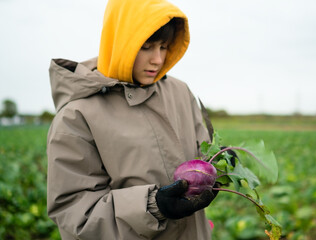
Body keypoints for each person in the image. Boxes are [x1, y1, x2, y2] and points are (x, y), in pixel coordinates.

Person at [46, 0, 218, 239]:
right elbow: (76, 215)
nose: (157, 59)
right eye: (146, 46)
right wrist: (154, 206)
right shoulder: (77, 116)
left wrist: (218, 163)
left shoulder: (180, 92)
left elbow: (202, 151)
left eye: (164, 46)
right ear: (119, 43)